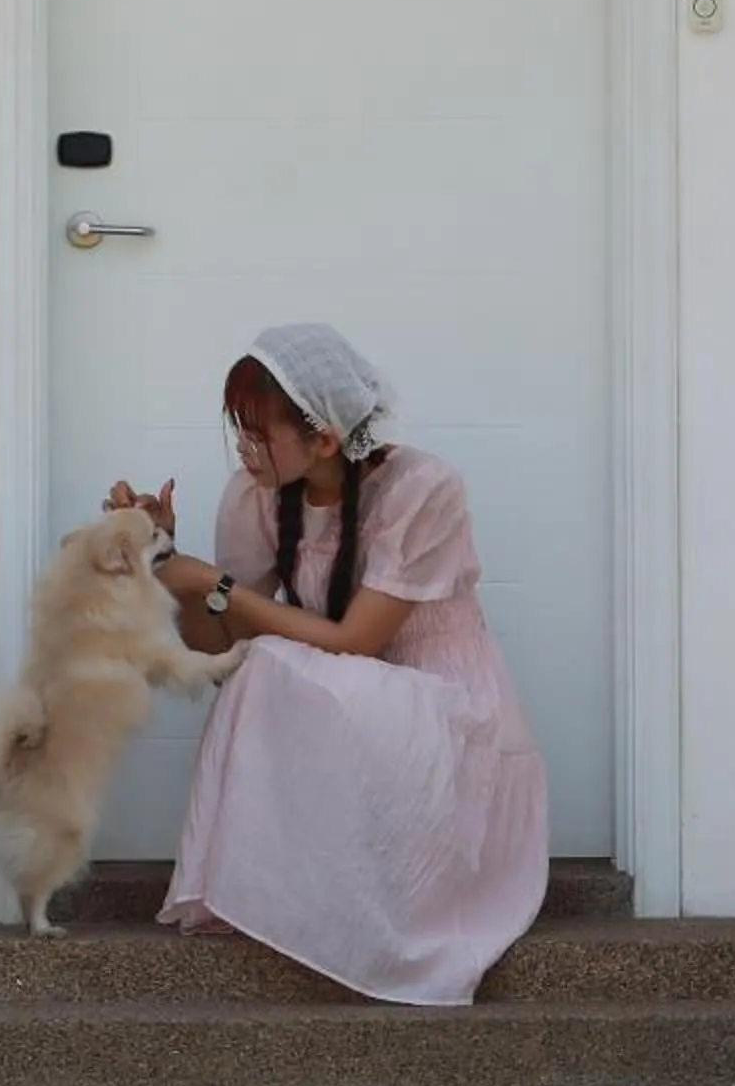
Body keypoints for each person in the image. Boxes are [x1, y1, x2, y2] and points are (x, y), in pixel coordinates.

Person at [106, 323, 548, 1005]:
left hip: (445, 710)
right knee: (258, 663)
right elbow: (215, 645)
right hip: (363, 708)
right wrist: (166, 556)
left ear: (324, 440)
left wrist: (214, 583)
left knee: (271, 660)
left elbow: (355, 640)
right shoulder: (255, 495)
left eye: (259, 433)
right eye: (237, 429)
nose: (243, 448)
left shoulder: (421, 488)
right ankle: (273, 891)